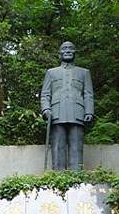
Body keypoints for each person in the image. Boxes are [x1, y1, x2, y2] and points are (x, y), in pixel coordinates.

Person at [40, 41, 94, 171]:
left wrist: (89, 111)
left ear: (75, 52)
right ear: (60, 53)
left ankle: (76, 178)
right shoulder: (51, 72)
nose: (68, 50)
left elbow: (88, 94)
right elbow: (45, 94)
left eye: (70, 48)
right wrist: (46, 109)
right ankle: (58, 178)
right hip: (57, 113)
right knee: (58, 146)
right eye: (64, 48)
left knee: (76, 146)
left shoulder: (84, 72)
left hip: (77, 113)